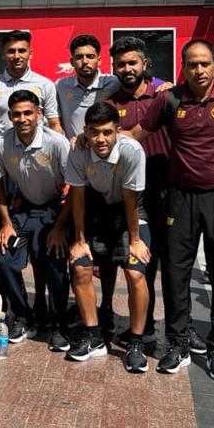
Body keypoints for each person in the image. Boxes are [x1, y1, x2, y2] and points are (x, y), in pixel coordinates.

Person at [133, 39, 214, 381]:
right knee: (175, 275)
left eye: (204, 64)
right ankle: (178, 344)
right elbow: (136, 133)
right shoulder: (169, 100)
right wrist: (95, 140)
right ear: (182, 67)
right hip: (180, 199)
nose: (198, 70)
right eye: (191, 65)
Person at [62, 101, 149, 370]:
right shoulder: (78, 151)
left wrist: (134, 240)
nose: (100, 139)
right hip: (97, 207)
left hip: (131, 211)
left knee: (135, 272)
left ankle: (136, 341)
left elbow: (130, 198)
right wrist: (79, 240)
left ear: (118, 131)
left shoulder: (132, 151)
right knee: (80, 267)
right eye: (95, 132)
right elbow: (76, 196)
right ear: (86, 130)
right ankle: (93, 336)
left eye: (107, 132)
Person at [100, 36, 173, 348]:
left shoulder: (166, 96)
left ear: (146, 64)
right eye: (121, 64)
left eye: (133, 62)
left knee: (164, 265)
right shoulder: (110, 104)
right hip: (127, 199)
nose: (127, 68)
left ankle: (155, 326)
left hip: (165, 193)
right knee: (133, 265)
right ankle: (114, 318)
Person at [0, 90, 72, 347]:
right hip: (22, 211)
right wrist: (5, 222)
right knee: (4, 258)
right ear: (9, 116)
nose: (22, 119)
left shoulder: (56, 142)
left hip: (55, 211)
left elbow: (74, 188)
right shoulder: (0, 143)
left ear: (39, 114)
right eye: (16, 114)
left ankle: (59, 323)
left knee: (54, 261)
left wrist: (60, 227)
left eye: (28, 113)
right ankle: (23, 317)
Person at [0, 30, 62, 142]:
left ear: (30, 54)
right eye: (11, 51)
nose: (16, 56)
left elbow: (54, 125)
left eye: (22, 51)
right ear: (3, 55)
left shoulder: (46, 85)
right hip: (3, 153)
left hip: (38, 152)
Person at [57, 34, 119, 139]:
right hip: (74, 152)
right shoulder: (61, 86)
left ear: (99, 60)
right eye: (79, 57)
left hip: (105, 150)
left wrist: (157, 85)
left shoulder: (114, 83)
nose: (85, 61)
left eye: (90, 56)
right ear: (72, 62)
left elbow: (141, 82)